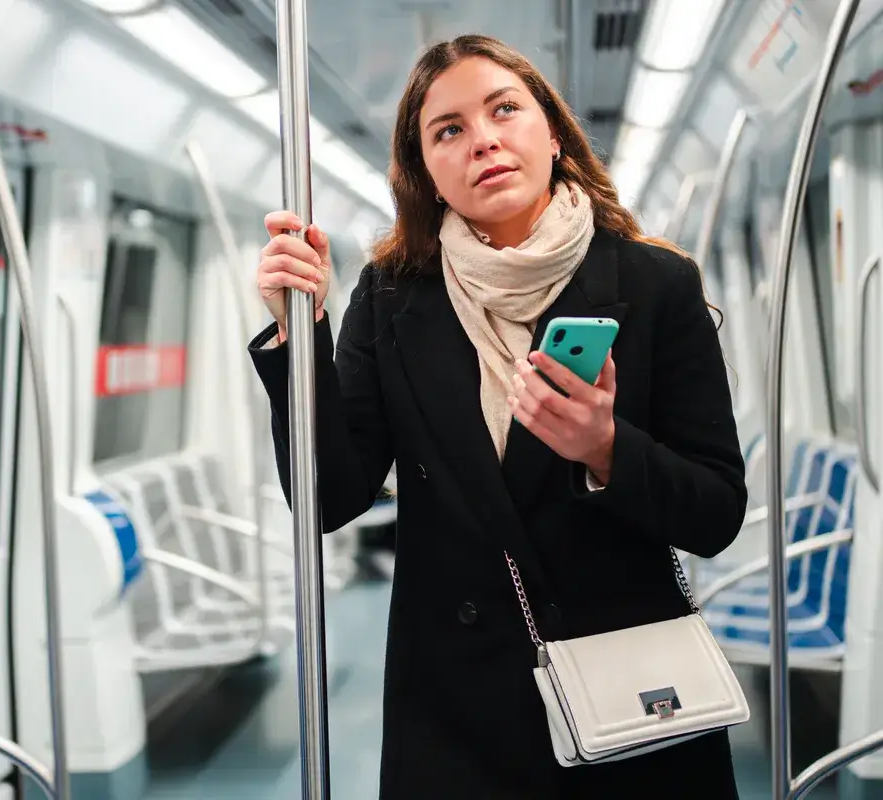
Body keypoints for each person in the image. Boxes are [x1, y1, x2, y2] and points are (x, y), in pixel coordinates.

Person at [247, 34, 747, 799]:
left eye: (503, 109)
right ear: (427, 174)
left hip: (629, 691)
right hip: (457, 709)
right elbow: (329, 497)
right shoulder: (391, 296)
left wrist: (606, 448)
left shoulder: (655, 285)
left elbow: (715, 512)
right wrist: (299, 332)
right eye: (447, 130)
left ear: (551, 132)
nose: (482, 139)